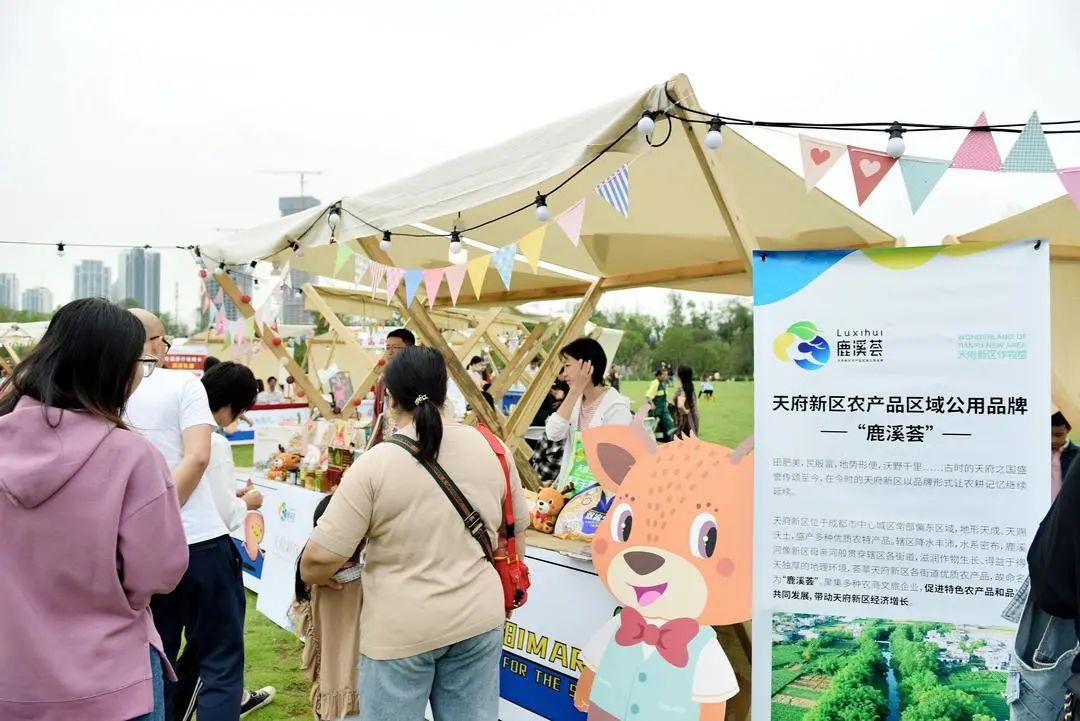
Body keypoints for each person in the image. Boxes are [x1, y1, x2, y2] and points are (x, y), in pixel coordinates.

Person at [300, 346, 529, 721]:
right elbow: (516, 530)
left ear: (390, 398)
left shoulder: (376, 464)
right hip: (478, 618)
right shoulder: (493, 449)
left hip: (400, 631)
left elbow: (320, 558)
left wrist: (321, 576)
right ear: (446, 389)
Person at [0, 298, 188, 721]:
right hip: (109, 679)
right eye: (142, 361)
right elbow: (159, 570)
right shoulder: (132, 457)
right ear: (116, 368)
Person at [127, 309, 246, 720]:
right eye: (164, 342)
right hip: (199, 542)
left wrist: (143, 526)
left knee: (155, 660)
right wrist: (159, 516)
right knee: (221, 662)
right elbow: (197, 457)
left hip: (139, 550)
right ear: (156, 344)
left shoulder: (99, 391)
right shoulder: (183, 385)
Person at [168, 362, 275, 721]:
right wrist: (247, 502)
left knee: (164, 657)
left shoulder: (168, 434)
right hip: (206, 555)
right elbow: (225, 514)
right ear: (231, 405)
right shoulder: (212, 442)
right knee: (221, 664)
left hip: (161, 553)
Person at [545, 338, 633, 490]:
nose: (564, 374)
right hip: (571, 492)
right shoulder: (575, 401)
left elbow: (617, 463)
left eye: (567, 366)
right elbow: (553, 433)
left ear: (587, 366)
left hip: (601, 498)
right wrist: (574, 392)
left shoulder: (616, 408)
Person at [371, 328, 416, 445]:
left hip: (409, 438)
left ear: (410, 350)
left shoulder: (417, 376)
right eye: (387, 348)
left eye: (395, 347)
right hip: (386, 439)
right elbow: (377, 411)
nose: (390, 352)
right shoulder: (384, 378)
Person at [645, 366, 676, 443]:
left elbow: (663, 395)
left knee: (669, 423)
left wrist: (668, 401)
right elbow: (648, 396)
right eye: (664, 375)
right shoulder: (655, 383)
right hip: (655, 409)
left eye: (667, 375)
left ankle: (671, 439)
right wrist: (652, 404)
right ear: (659, 375)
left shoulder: (664, 384)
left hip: (663, 409)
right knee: (650, 426)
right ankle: (647, 440)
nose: (666, 377)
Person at [1053, 411, 1077, 501]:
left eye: (1058, 435)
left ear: (1068, 430)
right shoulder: (1037, 453)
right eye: (1049, 434)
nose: (1053, 440)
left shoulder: (1076, 455)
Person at [675, 365, 700, 438]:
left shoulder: (683, 389)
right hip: (693, 417)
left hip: (685, 420)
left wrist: (685, 411)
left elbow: (680, 405)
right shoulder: (690, 387)